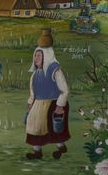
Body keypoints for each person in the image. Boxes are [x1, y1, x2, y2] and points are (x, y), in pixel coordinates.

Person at [24, 29, 72, 160]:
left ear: (47, 56)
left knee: (53, 128)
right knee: (34, 126)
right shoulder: (35, 74)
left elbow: (65, 90)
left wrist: (60, 105)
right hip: (38, 104)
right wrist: (30, 101)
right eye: (35, 55)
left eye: (39, 56)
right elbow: (33, 90)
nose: (36, 58)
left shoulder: (55, 70)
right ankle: (37, 152)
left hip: (54, 103)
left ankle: (61, 147)